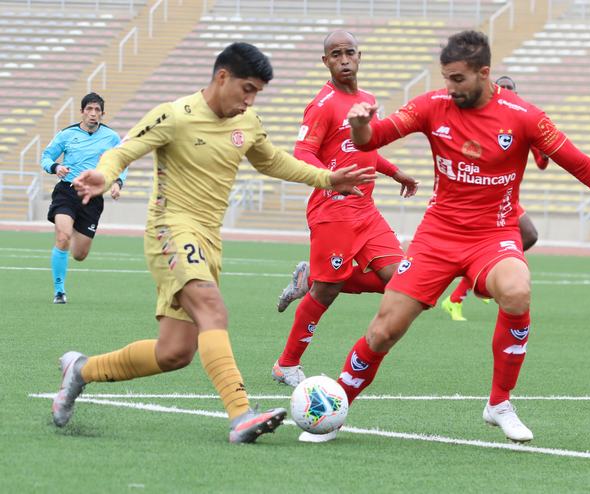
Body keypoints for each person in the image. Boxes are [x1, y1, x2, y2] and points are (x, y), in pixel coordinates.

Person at [326, 30, 590, 444]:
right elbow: (373, 139)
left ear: (484, 73)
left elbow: (580, 164)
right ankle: (334, 407)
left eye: (458, 79)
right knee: (383, 331)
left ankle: (499, 403)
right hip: (437, 235)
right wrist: (361, 127)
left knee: (517, 291)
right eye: (446, 78)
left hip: (493, 235)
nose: (450, 88)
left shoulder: (524, 116)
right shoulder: (431, 105)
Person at [55, 42, 376, 444]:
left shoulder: (248, 122)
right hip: (170, 230)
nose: (250, 100)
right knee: (212, 309)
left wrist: (327, 178)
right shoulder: (175, 115)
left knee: (174, 352)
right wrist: (104, 176)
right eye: (247, 89)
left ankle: (80, 370)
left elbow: (272, 160)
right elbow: (123, 152)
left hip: (209, 239)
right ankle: (241, 415)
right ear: (222, 77)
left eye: (256, 92)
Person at [271, 31, 418, 396]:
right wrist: (331, 179)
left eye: (349, 52)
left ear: (359, 56)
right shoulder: (322, 104)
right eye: (335, 54)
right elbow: (302, 152)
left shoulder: (366, 100)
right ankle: (286, 364)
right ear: (326, 62)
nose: (343, 59)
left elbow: (365, 147)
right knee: (327, 292)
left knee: (402, 281)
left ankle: (313, 276)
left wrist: (394, 171)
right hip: (332, 208)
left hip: (365, 210)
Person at [441, 76, 543, 321]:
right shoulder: (484, 118)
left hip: (505, 197)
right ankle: (468, 287)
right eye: (502, 87)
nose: (506, 91)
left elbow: (541, 162)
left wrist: (545, 151)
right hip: (481, 195)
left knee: (529, 235)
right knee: (524, 235)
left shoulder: (522, 120)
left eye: (510, 89)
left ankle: (463, 292)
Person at [41, 92, 127, 304]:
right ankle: (59, 291)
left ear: (102, 113)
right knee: (63, 237)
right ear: (82, 111)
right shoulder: (66, 134)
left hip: (92, 197)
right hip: (67, 191)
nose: (93, 113)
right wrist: (56, 167)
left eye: (97, 110)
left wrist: (117, 183)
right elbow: (46, 156)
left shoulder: (111, 137)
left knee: (79, 255)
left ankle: (67, 237)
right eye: (89, 109)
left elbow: (121, 162)